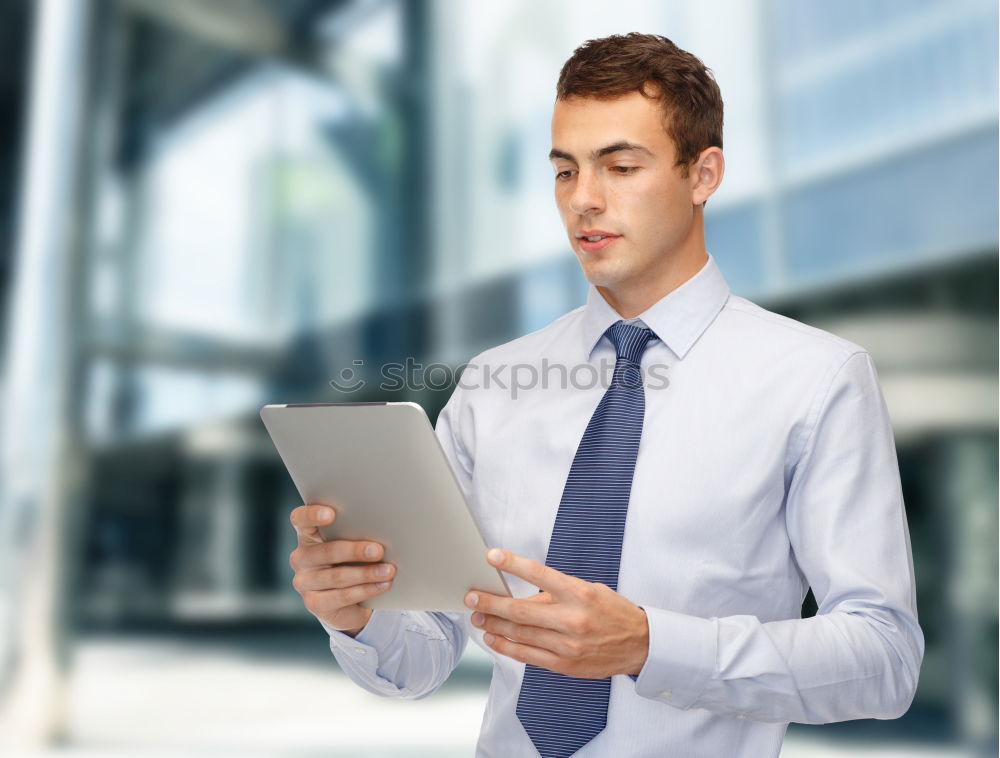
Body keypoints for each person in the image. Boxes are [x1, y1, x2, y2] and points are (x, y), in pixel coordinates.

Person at [287, 33, 923, 757]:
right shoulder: (493, 385)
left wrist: (650, 645)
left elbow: (885, 659)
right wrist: (358, 612)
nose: (585, 200)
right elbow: (419, 657)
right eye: (565, 171)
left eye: (621, 166)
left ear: (703, 173)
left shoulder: (815, 379)